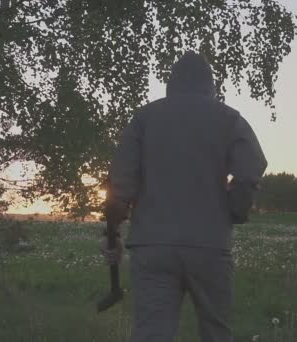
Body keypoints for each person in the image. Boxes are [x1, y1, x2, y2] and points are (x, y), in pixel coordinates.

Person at [102, 51, 267, 342]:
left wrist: (111, 234)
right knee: (217, 332)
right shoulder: (229, 119)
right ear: (210, 84)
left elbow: (120, 186)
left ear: (171, 83)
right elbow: (249, 170)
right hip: (210, 245)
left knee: (151, 335)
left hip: (152, 246)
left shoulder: (144, 118)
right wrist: (235, 212)